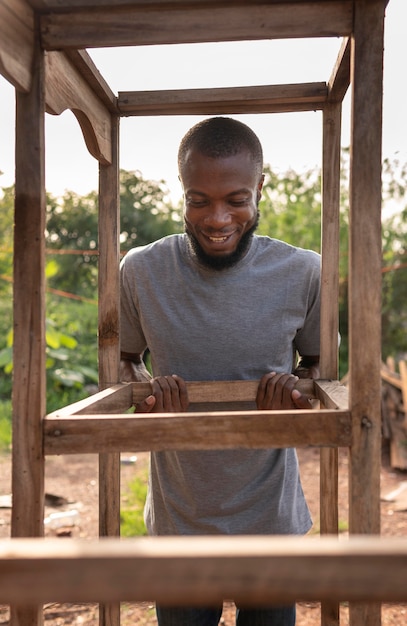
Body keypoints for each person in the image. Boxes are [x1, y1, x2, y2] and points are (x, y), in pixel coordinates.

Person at [120, 117, 321, 626]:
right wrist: (145, 393)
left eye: (235, 199)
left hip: (270, 522)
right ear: (181, 193)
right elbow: (123, 364)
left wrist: (294, 397)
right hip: (179, 518)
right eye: (198, 200)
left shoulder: (303, 272)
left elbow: (319, 372)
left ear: (259, 191)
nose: (217, 218)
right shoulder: (141, 271)